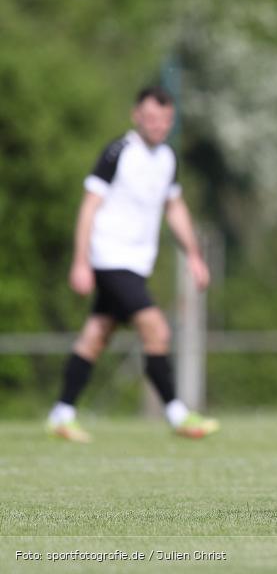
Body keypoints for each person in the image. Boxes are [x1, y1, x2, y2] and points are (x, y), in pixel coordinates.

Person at [45, 86, 219, 443]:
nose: (158, 126)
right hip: (109, 258)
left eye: (165, 120)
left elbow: (175, 207)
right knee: (156, 328)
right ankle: (177, 413)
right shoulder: (118, 152)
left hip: (137, 264)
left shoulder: (167, 158)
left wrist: (194, 255)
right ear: (136, 116)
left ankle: (61, 414)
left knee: (96, 335)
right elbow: (89, 206)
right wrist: (80, 262)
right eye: (151, 118)